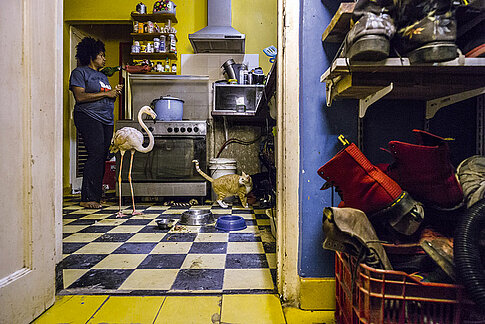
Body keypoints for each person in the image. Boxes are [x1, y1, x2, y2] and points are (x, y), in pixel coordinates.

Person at [69, 37, 123, 209]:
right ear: (91, 56)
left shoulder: (102, 76)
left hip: (105, 119)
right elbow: (80, 97)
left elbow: (105, 98)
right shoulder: (80, 73)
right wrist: (107, 94)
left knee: (102, 156)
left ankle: (97, 195)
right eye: (101, 55)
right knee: (95, 153)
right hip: (88, 116)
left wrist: (114, 94)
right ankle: (87, 197)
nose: (104, 58)